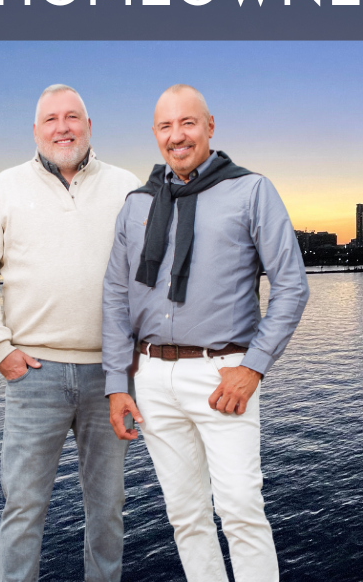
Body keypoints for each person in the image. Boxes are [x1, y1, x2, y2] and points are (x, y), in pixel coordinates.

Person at [102, 85, 309, 582]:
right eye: (166, 127)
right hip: (151, 377)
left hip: (224, 376)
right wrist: (116, 385)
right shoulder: (136, 204)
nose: (178, 136)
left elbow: (292, 287)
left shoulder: (251, 190)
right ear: (155, 134)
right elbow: (114, 295)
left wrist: (252, 368)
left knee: (240, 510)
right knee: (186, 518)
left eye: (188, 123)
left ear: (210, 126)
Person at [0, 84, 141, 582]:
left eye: (72, 117)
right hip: (33, 377)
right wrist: (0, 350)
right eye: (51, 120)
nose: (62, 128)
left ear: (89, 126)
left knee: (107, 510)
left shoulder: (126, 187)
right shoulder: (4, 188)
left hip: (108, 379)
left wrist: (129, 364)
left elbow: (146, 276)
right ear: (36, 131)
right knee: (23, 509)